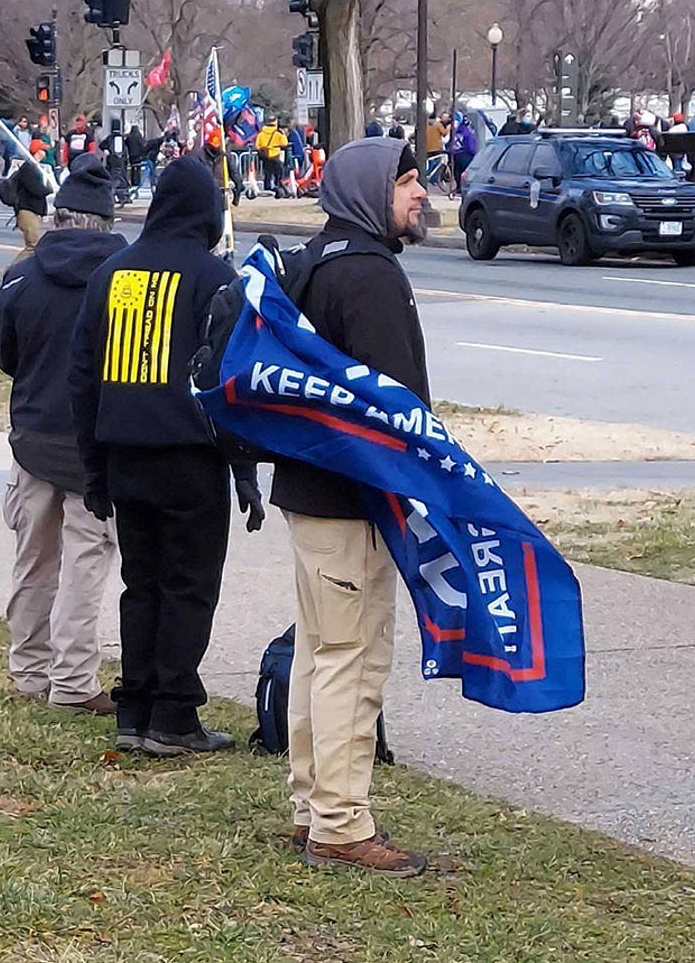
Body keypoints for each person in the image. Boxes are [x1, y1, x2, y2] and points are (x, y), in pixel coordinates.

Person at [269, 136, 431, 877]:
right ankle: (340, 823)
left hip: (310, 491)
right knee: (353, 660)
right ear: (373, 193)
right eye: (407, 183)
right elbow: (396, 406)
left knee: (318, 653)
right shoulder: (368, 275)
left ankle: (313, 808)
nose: (421, 194)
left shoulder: (314, 262)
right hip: (352, 499)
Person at [68, 155, 265, 758]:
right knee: (189, 586)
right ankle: (174, 715)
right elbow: (233, 385)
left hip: (123, 453)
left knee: (141, 583)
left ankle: (136, 708)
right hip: (190, 459)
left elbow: (82, 377)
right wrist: (245, 475)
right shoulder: (215, 278)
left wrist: (94, 470)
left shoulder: (112, 272)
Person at [0, 157, 128, 715]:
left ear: (59, 215)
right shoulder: (124, 277)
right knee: (85, 561)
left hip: (34, 436)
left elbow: (6, 355)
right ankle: (73, 680)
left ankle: (29, 669)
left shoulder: (22, 274)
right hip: (97, 441)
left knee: (34, 558)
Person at [2, 154, 52, 265]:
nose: (44, 153)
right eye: (42, 150)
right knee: (32, 246)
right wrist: (48, 189)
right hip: (27, 211)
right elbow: (36, 189)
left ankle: (17, 271)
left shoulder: (35, 168)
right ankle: (10, 270)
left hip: (30, 212)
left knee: (33, 245)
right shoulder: (28, 169)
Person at [256, 115, 287, 193]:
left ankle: (267, 187)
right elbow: (284, 143)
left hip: (265, 155)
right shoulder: (278, 133)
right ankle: (278, 185)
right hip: (275, 155)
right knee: (278, 171)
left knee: (267, 172)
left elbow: (257, 145)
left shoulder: (261, 133)